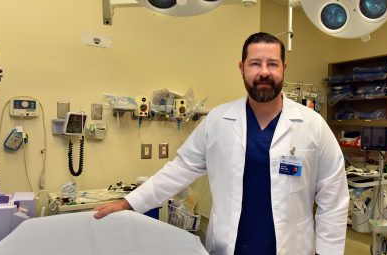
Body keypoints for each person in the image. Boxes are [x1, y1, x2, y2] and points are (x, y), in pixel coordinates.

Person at [94, 32, 349, 255]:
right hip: (229, 247)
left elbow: (333, 200)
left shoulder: (312, 125)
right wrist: (130, 202)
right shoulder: (218, 120)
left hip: (292, 247)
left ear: (284, 67)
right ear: (241, 68)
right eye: (255, 63)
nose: (264, 72)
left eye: (272, 64)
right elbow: (179, 170)